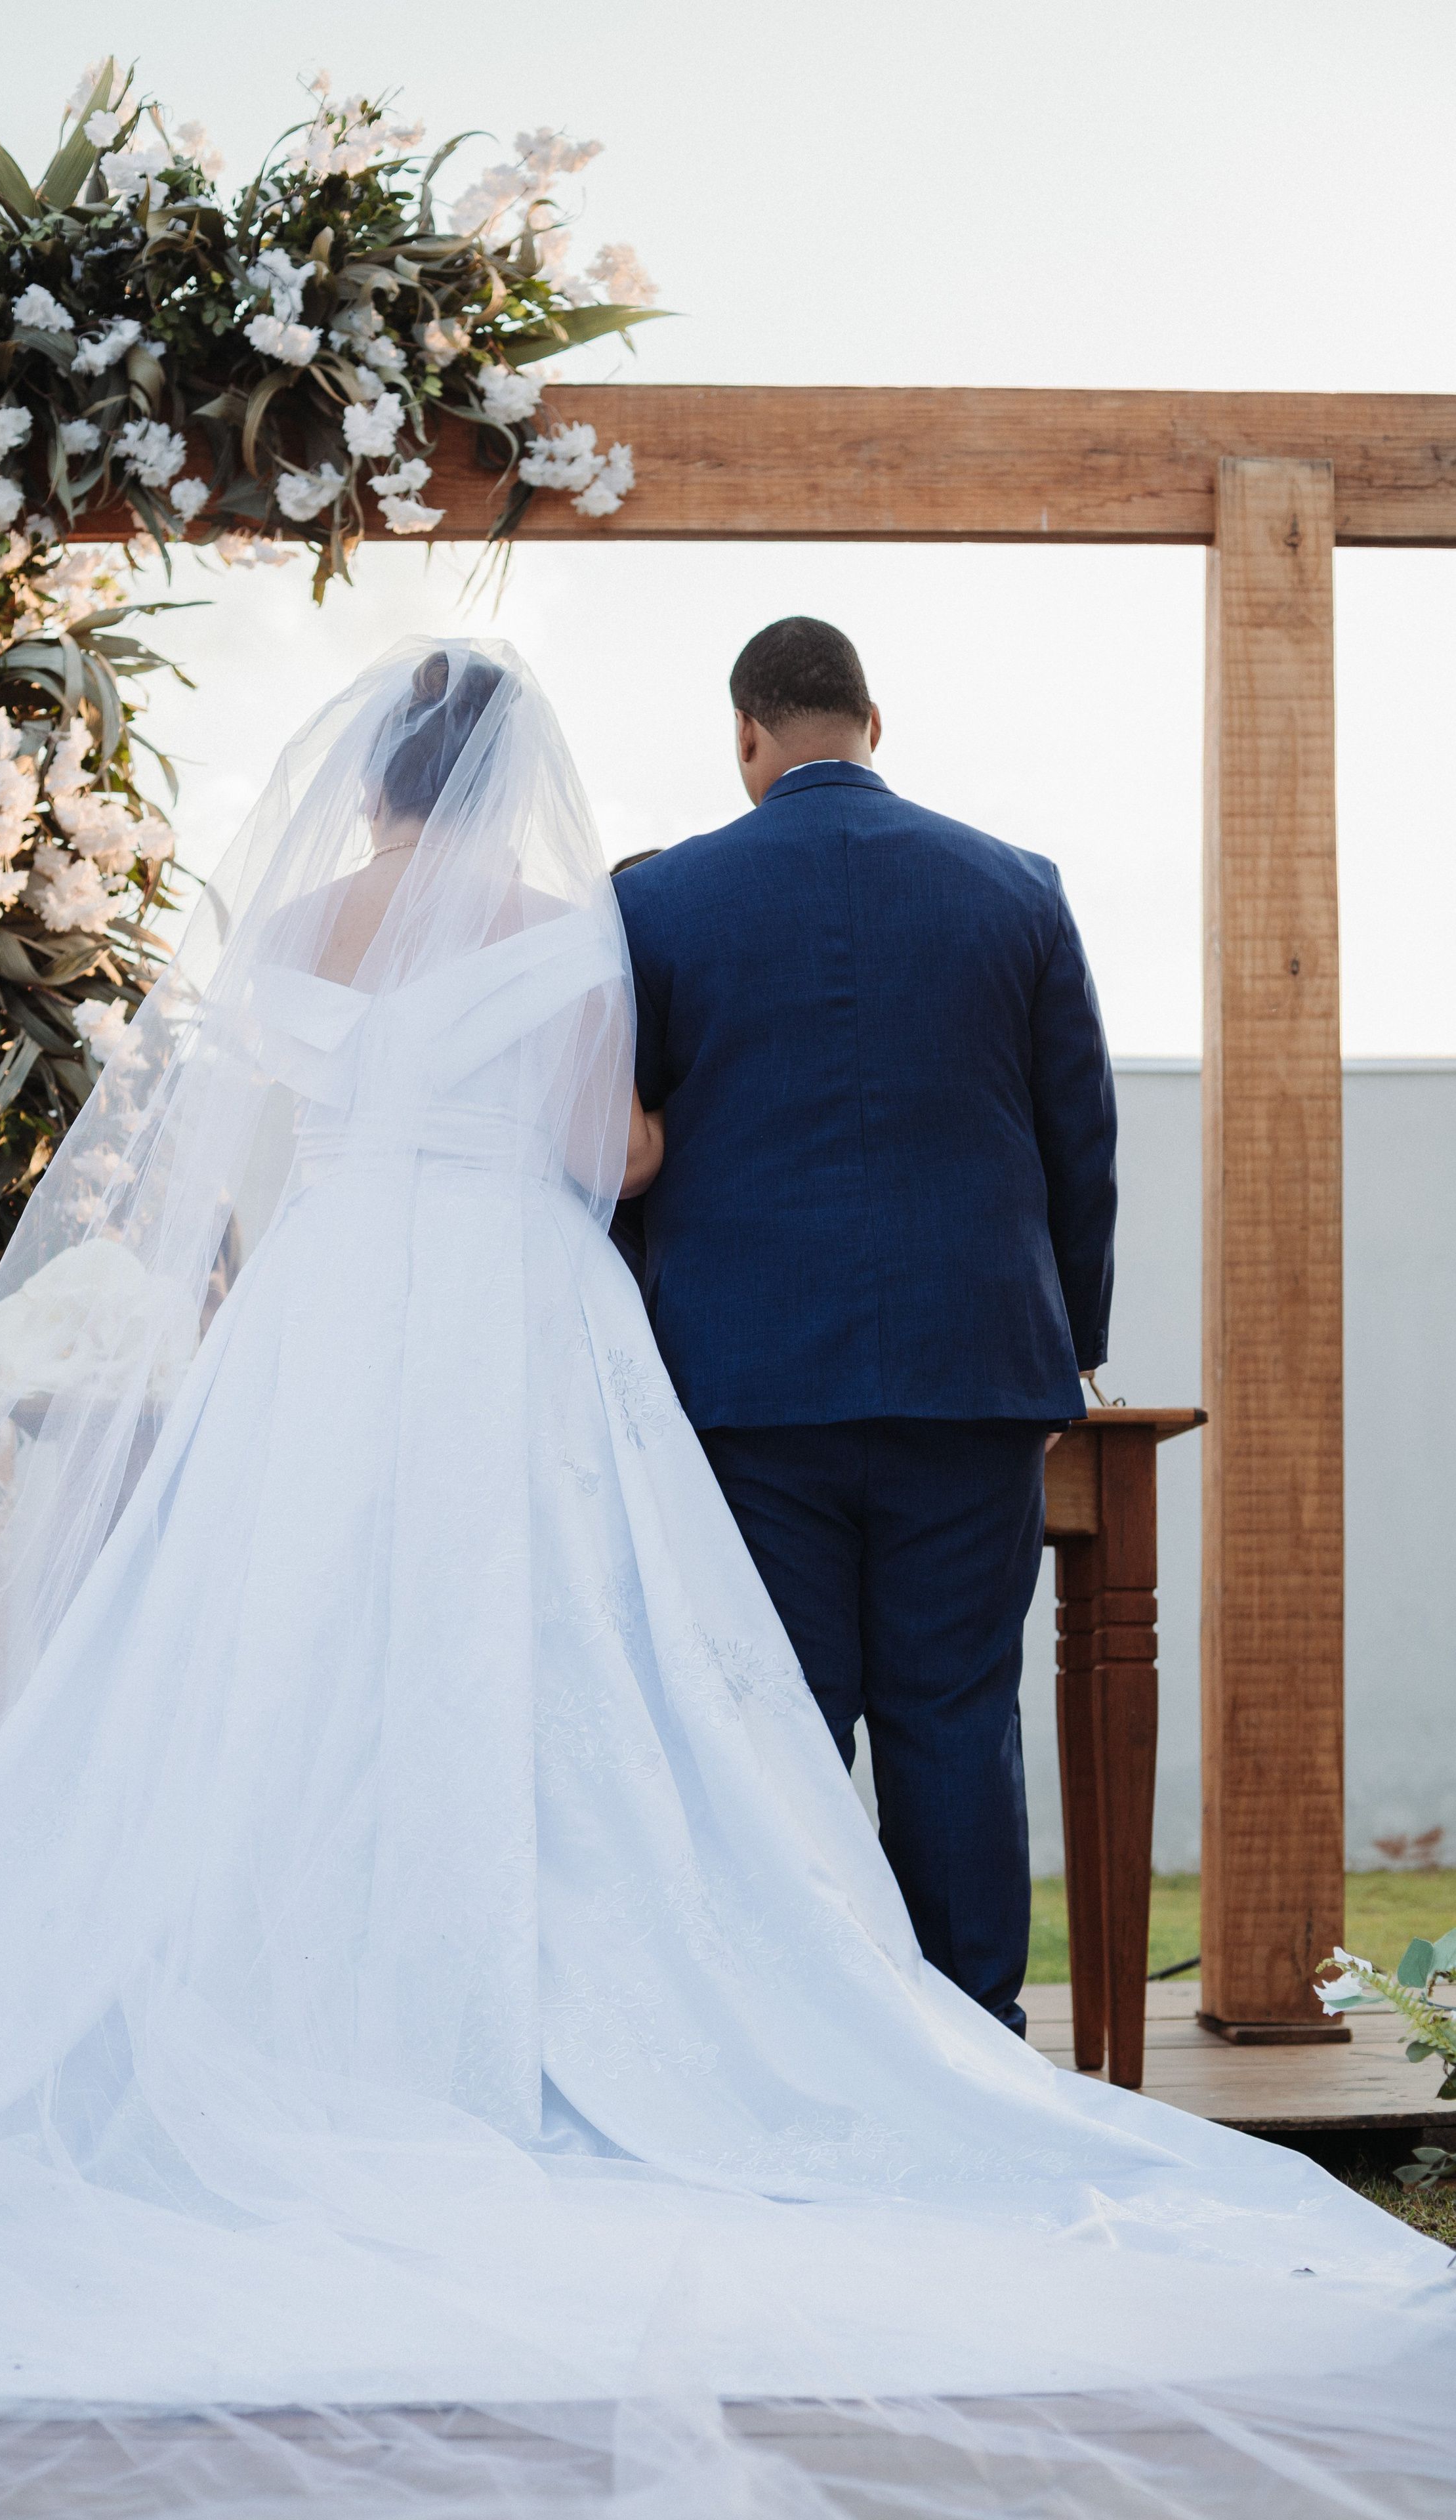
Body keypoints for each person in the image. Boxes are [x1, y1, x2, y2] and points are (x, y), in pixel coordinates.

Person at [0, 640, 1446, 2517]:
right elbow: (633, 1150)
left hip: (357, 1322)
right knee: (754, 1695)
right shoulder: (666, 918)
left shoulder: (354, 925)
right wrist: (969, 1293)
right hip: (617, 1322)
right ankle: (901, 2027)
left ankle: (329, 2009)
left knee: (328, 1671)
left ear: (381, 775)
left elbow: (258, 1163)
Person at [615, 618, 1116, 2036]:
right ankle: (977, 2044)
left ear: (745, 735)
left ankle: (802, 2041)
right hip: (974, 1375)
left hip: (746, 1382)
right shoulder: (1016, 889)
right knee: (954, 1716)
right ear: (871, 722)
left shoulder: (661, 907)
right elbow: (1077, 1137)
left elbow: (622, 1149)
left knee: (777, 1727)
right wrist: (1069, 1332)